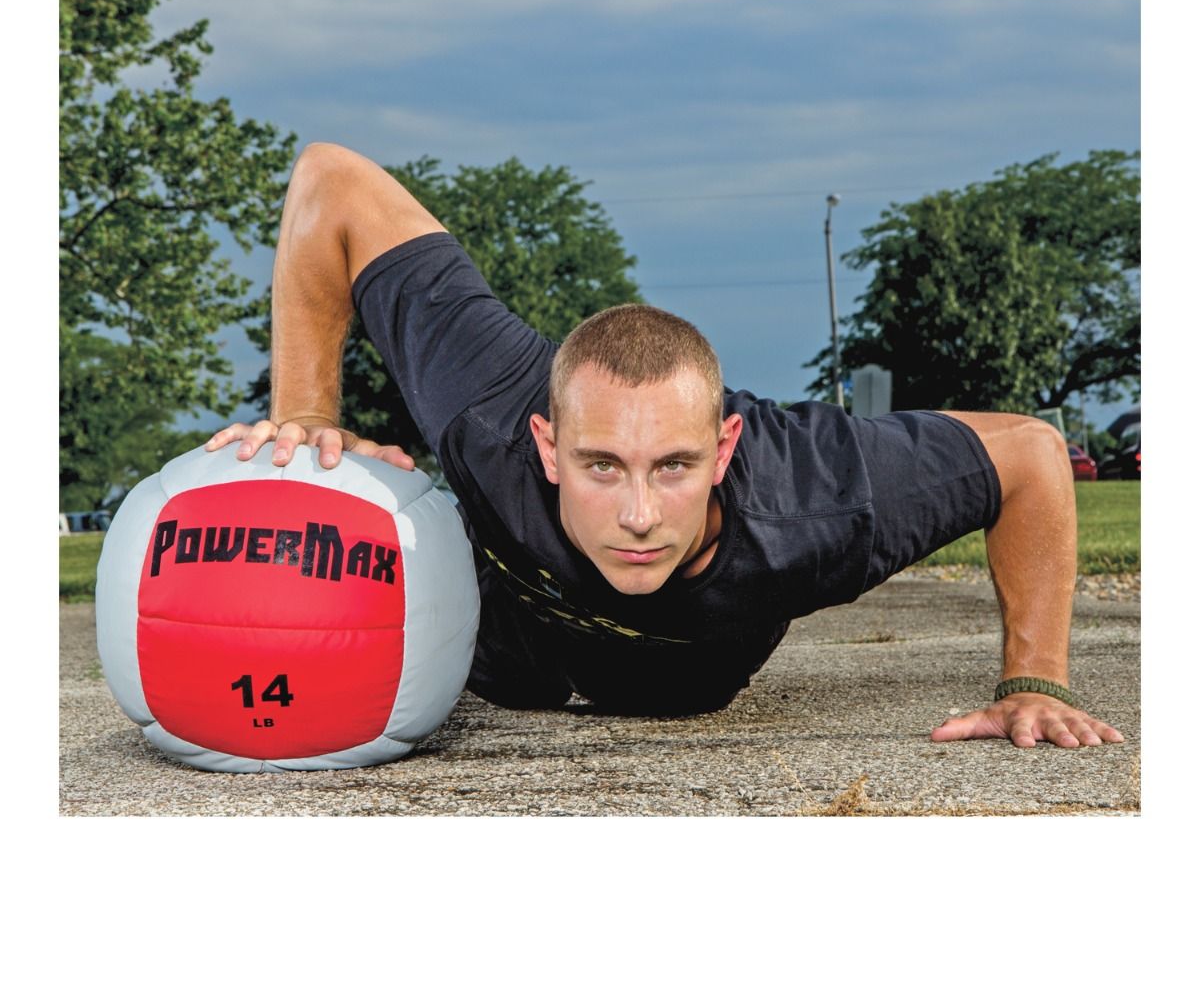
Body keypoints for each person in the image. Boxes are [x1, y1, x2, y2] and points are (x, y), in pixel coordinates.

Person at [208, 142, 1124, 748]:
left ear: (724, 450)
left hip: (682, 680)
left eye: (674, 467)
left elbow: (1031, 456)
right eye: (602, 466)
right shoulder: (491, 405)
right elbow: (332, 181)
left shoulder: (820, 498)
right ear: (548, 445)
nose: (639, 516)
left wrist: (1037, 680)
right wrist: (307, 418)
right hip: (489, 656)